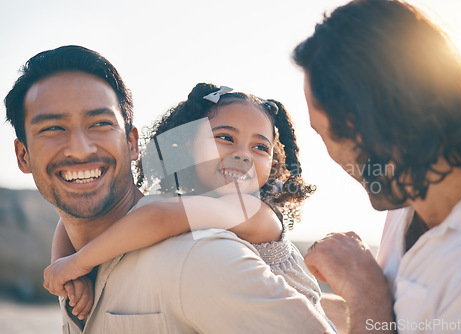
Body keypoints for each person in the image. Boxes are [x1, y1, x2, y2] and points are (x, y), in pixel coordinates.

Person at [5, 45, 336, 333]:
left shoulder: (245, 212)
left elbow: (158, 218)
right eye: (225, 138)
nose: (242, 153)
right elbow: (69, 222)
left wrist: (77, 263)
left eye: (260, 148)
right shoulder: (185, 209)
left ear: (131, 143)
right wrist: (68, 272)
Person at [293, 0, 461, 333]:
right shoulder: (405, 199)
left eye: (324, 132)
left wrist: (365, 293)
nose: (331, 156)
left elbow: (376, 315)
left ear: (367, 123)